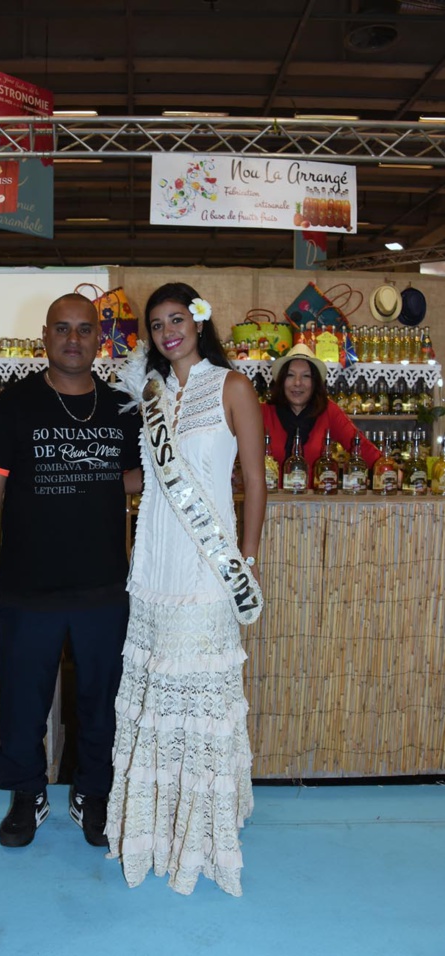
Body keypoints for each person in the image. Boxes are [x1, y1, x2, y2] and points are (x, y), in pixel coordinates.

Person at [0, 293, 142, 850]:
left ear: (99, 338)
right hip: (27, 586)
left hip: (105, 586)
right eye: (62, 329)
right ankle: (26, 794)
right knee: (21, 701)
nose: (72, 339)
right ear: (44, 336)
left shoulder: (121, 407)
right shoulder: (14, 405)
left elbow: (142, 481)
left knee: (102, 705)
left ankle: (93, 793)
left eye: (84, 330)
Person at [106, 282, 266, 897]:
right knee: (156, 690)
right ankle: (157, 827)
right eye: (156, 324)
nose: (167, 332)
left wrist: (245, 560)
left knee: (197, 694)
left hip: (208, 566)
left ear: (198, 321)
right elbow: (146, 479)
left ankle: (198, 832)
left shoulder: (231, 386)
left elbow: (254, 479)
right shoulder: (150, 394)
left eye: (178, 319)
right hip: (155, 563)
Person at [261, 342, 381, 484]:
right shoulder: (263, 413)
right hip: (270, 501)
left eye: (306, 376)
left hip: (316, 501)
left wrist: (387, 468)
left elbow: (360, 446)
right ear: (281, 380)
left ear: (315, 382)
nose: (297, 383)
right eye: (290, 375)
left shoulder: (329, 411)